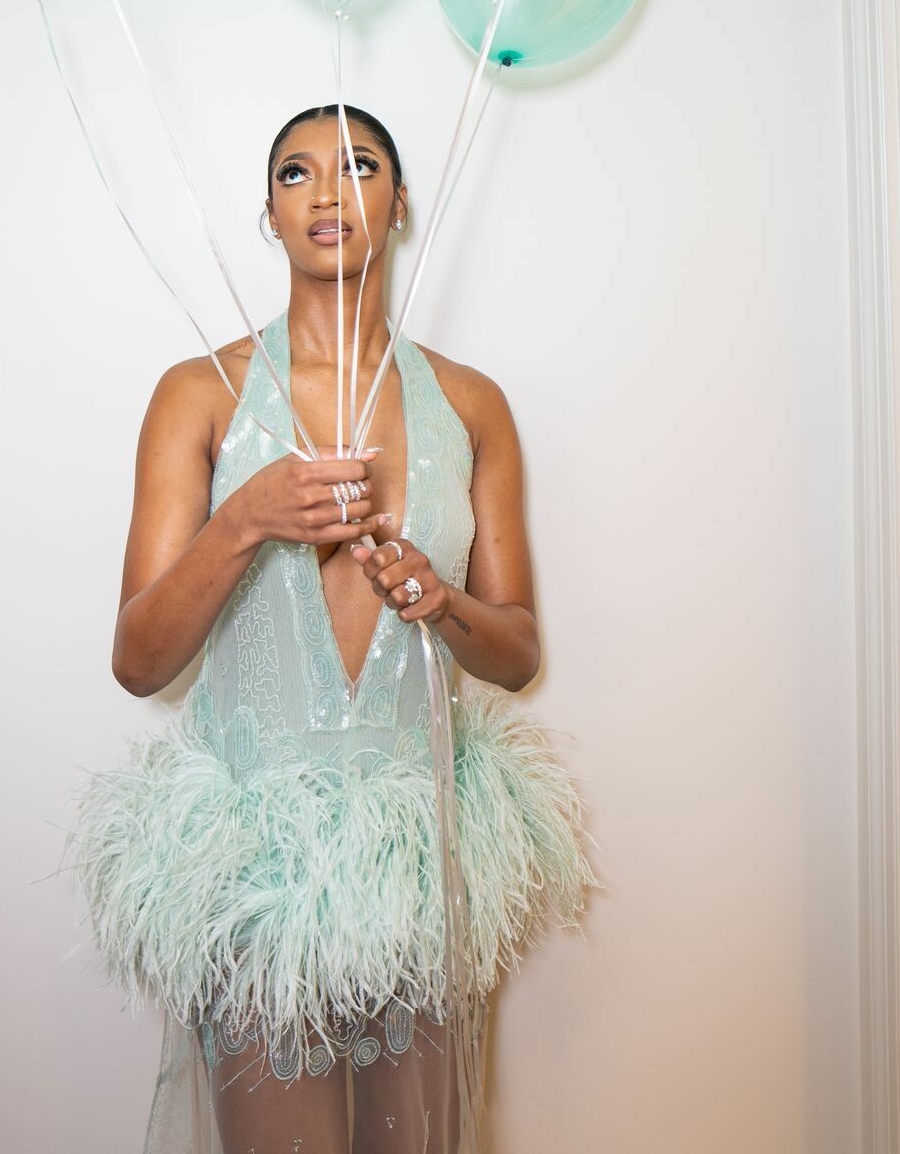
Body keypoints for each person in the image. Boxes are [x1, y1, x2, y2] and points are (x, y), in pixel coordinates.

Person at [64, 105, 598, 1152]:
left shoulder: (471, 404)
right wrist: (246, 518)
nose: (327, 190)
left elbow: (518, 651)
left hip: (422, 858)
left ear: (398, 206)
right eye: (295, 172)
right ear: (268, 214)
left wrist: (443, 602)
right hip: (256, 869)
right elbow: (139, 660)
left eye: (358, 165)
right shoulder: (199, 397)